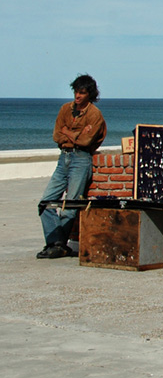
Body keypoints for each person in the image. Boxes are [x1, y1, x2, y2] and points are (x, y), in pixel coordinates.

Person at [36, 74, 107, 259]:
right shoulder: (64, 109)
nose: (77, 96)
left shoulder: (94, 115)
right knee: (46, 202)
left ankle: (56, 245)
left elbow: (86, 141)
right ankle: (57, 243)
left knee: (71, 204)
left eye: (82, 93)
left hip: (81, 159)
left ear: (89, 94)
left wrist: (69, 132)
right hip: (64, 158)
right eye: (76, 91)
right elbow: (57, 135)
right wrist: (74, 133)